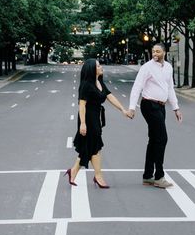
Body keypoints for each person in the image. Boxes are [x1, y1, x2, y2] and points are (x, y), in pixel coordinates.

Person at [65, 58, 132, 189]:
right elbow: (82, 105)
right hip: (88, 118)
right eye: (99, 66)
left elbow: (109, 95)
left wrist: (123, 110)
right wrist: (83, 124)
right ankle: (98, 176)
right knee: (94, 147)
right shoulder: (86, 84)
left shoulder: (99, 81)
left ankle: (73, 171)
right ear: (92, 69)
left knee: (89, 147)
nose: (102, 67)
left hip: (96, 117)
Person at [128, 43, 182, 189]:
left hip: (161, 106)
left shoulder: (169, 67)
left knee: (154, 140)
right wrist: (132, 107)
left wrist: (175, 108)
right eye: (153, 51)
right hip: (149, 105)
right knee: (162, 138)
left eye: (158, 51)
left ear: (164, 52)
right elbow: (137, 86)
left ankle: (147, 176)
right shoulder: (147, 67)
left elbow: (170, 88)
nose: (155, 54)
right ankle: (159, 176)